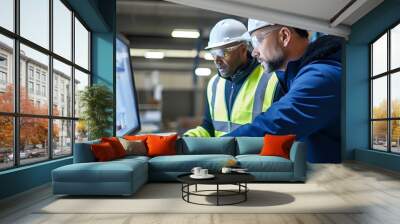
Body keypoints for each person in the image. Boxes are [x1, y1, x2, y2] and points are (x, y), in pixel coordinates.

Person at [225, 19, 342, 163]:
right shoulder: (295, 76)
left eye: (257, 42)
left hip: (341, 180)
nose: (254, 52)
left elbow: (275, 123)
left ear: (285, 36)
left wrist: (213, 145)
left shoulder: (322, 76)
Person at [184, 19, 284, 137]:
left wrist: (226, 142)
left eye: (222, 53)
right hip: (222, 155)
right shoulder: (214, 84)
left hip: (256, 155)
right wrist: (186, 139)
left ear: (242, 49)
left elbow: (279, 130)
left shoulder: (272, 81)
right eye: (213, 53)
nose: (217, 60)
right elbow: (208, 127)